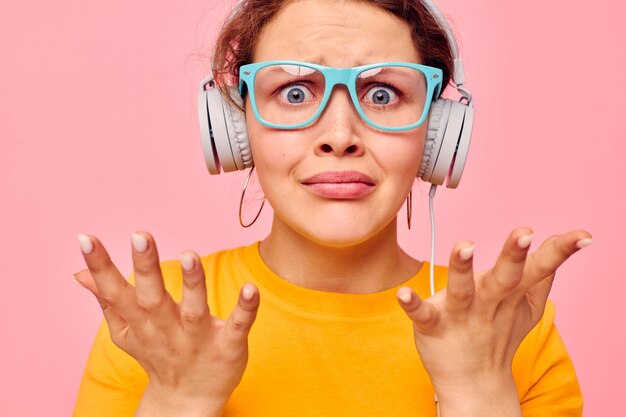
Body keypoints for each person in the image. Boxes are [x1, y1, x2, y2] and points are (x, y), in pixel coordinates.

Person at [72, 0, 593, 416]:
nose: (339, 136)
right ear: (238, 125)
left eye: (384, 94)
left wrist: (477, 393)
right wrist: (178, 400)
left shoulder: (510, 331)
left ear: (435, 133)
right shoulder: (155, 322)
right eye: (295, 92)